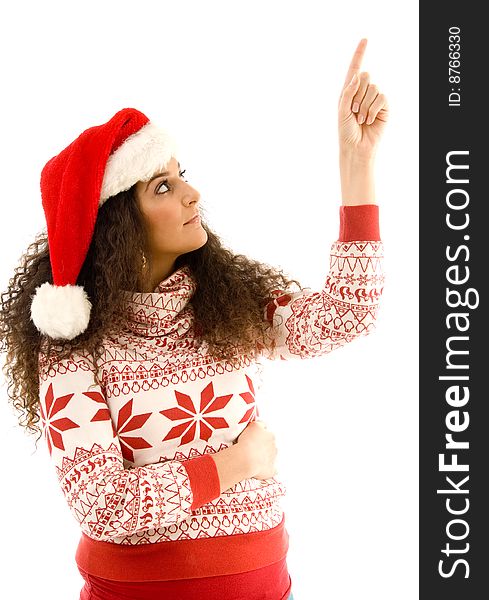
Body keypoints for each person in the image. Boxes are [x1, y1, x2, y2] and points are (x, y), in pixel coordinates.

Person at [0, 38, 387, 600]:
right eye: (163, 186)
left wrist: (357, 165)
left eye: (183, 175)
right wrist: (236, 463)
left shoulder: (227, 301)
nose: (192, 193)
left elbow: (345, 315)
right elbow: (105, 507)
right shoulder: (71, 345)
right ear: (117, 226)